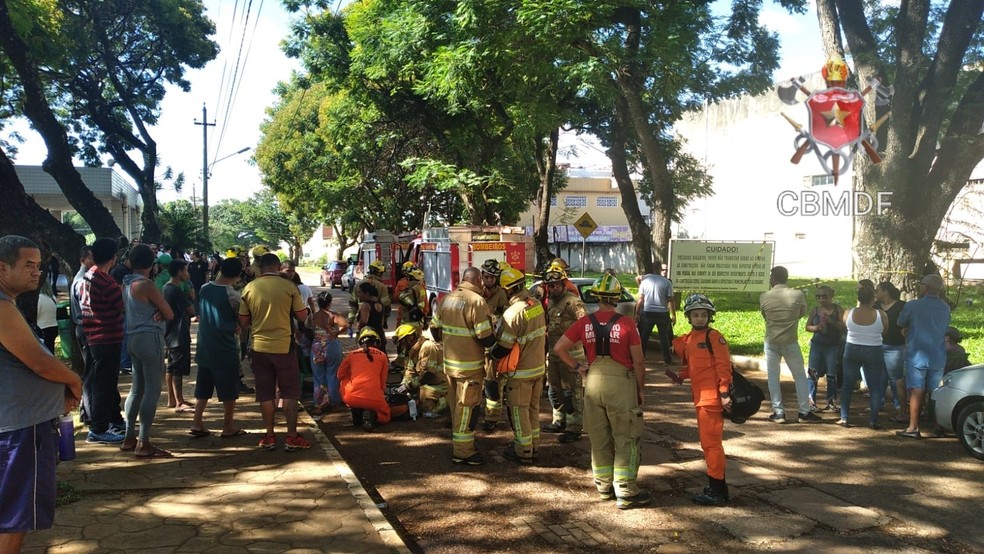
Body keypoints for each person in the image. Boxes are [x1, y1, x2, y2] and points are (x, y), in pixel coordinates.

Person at [0, 235, 83, 552]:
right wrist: (73, 379)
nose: (37, 272)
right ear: (2, 267)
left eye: (39, 265)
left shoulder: (9, 304)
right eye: (29, 265)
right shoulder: (2, 307)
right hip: (21, 429)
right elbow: (38, 363)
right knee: (15, 516)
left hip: (20, 424)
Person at [553, 274, 650, 510]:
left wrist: (578, 368)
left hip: (593, 382)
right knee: (626, 437)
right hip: (621, 384)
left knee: (599, 438)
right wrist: (640, 389)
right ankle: (626, 491)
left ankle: (604, 487)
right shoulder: (627, 324)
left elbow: (559, 348)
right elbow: (638, 361)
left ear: (596, 297)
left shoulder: (585, 323)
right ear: (616, 298)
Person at [239, 252, 311, 451]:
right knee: (289, 392)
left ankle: (269, 436)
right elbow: (302, 316)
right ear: (278, 267)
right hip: (284, 347)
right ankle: (291, 436)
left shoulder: (249, 288)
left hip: (259, 347)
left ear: (260, 268)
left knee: (265, 394)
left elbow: (243, 322)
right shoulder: (289, 286)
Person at [670, 293, 733, 505]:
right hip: (700, 398)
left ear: (709, 316)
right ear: (688, 316)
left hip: (712, 399)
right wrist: (679, 376)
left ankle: (717, 493)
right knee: (708, 444)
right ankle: (717, 487)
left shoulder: (714, 337)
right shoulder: (689, 339)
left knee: (711, 445)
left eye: (703, 315)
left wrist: (724, 392)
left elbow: (724, 366)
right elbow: (694, 367)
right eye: (695, 315)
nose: (699, 318)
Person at [431, 266, 496, 465]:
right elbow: (485, 338)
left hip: (450, 365)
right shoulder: (476, 302)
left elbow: (434, 330)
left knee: (455, 408)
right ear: (477, 279)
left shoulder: (447, 299)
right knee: (467, 408)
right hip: (470, 368)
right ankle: (463, 451)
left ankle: (460, 443)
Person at [488, 264, 547, 464]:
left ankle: (523, 450)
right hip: (538, 369)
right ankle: (534, 446)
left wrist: (490, 354)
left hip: (520, 373)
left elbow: (504, 346)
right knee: (532, 409)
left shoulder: (513, 313)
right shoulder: (536, 305)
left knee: (519, 411)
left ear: (508, 289)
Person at [120, 244, 175, 457]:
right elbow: (168, 313)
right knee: (152, 389)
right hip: (149, 337)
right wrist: (159, 312)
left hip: (132, 337)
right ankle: (144, 441)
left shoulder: (126, 283)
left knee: (136, 389)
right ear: (152, 264)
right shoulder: (146, 284)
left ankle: (128, 436)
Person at [191, 256, 247, 438]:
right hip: (225, 346)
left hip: (205, 345)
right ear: (238, 274)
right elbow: (242, 319)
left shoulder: (205, 288)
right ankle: (228, 425)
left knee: (203, 388)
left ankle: (197, 423)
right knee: (229, 391)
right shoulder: (233, 295)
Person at [79, 237, 127, 444]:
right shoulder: (106, 280)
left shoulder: (88, 276)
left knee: (106, 383)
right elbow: (122, 306)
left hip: (94, 337)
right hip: (107, 337)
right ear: (113, 257)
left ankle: (115, 420)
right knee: (103, 385)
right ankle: (98, 428)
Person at [759, 266, 822, 424]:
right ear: (786, 278)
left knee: (773, 377)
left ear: (773, 278)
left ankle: (778, 412)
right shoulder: (798, 294)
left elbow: (765, 316)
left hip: (771, 340)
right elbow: (801, 313)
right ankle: (804, 411)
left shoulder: (764, 296)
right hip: (790, 340)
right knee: (799, 376)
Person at [896, 274, 951, 439]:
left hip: (917, 354)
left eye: (920, 285)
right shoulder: (945, 307)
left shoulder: (913, 305)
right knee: (935, 392)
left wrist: (908, 328)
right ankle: (937, 425)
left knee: (916, 390)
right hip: (938, 354)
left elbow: (900, 321)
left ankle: (913, 427)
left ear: (926, 287)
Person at [541, 263, 588, 443]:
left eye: (556, 285)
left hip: (571, 356)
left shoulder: (573, 302)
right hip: (553, 354)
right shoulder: (551, 301)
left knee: (572, 393)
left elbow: (585, 325)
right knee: (554, 389)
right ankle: (558, 421)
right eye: (549, 286)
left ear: (563, 284)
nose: (552, 288)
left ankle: (574, 428)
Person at [837, 286, 889, 429]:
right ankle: (873, 419)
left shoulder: (848, 313)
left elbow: (845, 326)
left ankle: (844, 417)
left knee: (847, 384)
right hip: (874, 349)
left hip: (852, 348)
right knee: (875, 387)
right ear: (873, 298)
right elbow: (885, 331)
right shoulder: (881, 314)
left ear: (858, 298)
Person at [338, 328, 392, 431]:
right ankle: (374, 416)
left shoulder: (351, 355)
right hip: (374, 399)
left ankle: (356, 412)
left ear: (360, 342)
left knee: (344, 380)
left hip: (351, 397)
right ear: (377, 342)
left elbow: (339, 375)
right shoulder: (383, 357)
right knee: (386, 416)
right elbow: (382, 384)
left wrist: (352, 375)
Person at [478, 259, 509, 432]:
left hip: (491, 343)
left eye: (493, 277)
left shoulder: (501, 294)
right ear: (482, 276)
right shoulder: (476, 292)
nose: (489, 280)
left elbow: (506, 318)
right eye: (487, 276)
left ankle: (492, 417)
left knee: (492, 381)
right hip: (476, 344)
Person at [805, 285, 845, 412]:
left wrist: (831, 321)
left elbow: (844, 327)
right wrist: (815, 328)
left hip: (832, 346)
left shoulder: (838, 310)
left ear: (831, 296)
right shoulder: (815, 310)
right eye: (819, 296)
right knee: (813, 373)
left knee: (832, 374)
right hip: (817, 345)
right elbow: (807, 326)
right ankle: (811, 401)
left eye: (824, 296)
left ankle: (831, 401)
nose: (822, 299)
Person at [163, 259, 195, 412]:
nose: (187, 273)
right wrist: (190, 288)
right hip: (178, 333)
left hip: (170, 333)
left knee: (171, 366)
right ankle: (179, 401)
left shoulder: (166, 288)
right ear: (179, 272)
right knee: (177, 368)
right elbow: (190, 310)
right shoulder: (176, 290)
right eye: (185, 270)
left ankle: (172, 398)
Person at [308, 291, 348, 413]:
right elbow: (345, 325)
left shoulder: (312, 317)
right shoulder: (334, 315)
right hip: (332, 346)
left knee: (318, 377)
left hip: (317, 347)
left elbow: (308, 328)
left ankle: (319, 405)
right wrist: (336, 333)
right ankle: (334, 402)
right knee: (333, 374)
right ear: (329, 303)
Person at [396, 323, 447, 415]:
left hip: (442, 383)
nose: (402, 345)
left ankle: (449, 401)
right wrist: (402, 387)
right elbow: (409, 373)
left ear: (410, 338)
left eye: (403, 341)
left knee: (424, 399)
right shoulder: (412, 352)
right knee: (408, 397)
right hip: (430, 383)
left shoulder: (427, 347)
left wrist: (409, 386)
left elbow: (428, 375)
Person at [875, 281, 907, 421]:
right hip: (877, 345)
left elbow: (907, 324)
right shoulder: (875, 307)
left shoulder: (901, 306)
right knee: (879, 377)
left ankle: (899, 406)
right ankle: (878, 402)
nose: (875, 294)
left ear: (885, 292)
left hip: (895, 346)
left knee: (895, 378)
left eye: (877, 291)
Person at [635, 260, 676, 363]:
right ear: (660, 269)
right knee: (664, 337)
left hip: (648, 312)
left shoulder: (645, 282)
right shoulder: (667, 282)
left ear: (652, 269)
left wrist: (637, 313)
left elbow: (640, 299)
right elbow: (671, 299)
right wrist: (673, 314)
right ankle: (667, 359)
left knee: (644, 336)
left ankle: (641, 357)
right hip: (662, 312)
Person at [357, 281, 387, 353]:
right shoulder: (380, 304)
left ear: (367, 293)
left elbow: (364, 321)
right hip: (379, 334)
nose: (358, 295)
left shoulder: (366, 305)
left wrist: (358, 326)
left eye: (360, 292)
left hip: (368, 336)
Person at [36, 281, 58, 353]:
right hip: (53, 326)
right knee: (51, 349)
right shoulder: (52, 298)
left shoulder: (39, 299)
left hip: (42, 328)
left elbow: (36, 314)